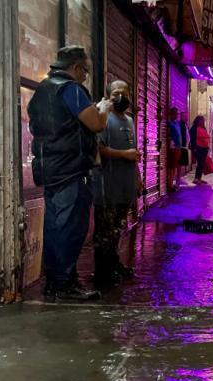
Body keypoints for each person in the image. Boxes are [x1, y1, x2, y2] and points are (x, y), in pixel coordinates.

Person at [28, 45, 112, 302]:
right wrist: (104, 107)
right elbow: (95, 123)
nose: (85, 76)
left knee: (55, 227)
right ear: (75, 68)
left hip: (50, 169)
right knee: (71, 229)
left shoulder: (43, 89)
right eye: (85, 71)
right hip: (70, 170)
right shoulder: (71, 89)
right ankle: (64, 284)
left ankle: (56, 282)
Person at [92, 80, 141, 287]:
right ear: (108, 96)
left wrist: (137, 179)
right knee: (105, 232)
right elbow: (98, 149)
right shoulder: (103, 119)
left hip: (125, 187)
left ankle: (114, 265)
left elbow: (134, 153)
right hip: (107, 187)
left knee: (118, 229)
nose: (120, 96)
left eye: (124, 91)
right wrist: (124, 155)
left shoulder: (129, 120)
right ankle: (103, 273)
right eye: (115, 93)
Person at [189, 116, 211, 185]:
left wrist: (207, 147)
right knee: (199, 164)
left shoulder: (203, 128)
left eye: (203, 120)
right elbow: (192, 138)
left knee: (201, 164)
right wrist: (194, 148)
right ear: (197, 121)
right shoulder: (194, 128)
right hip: (198, 149)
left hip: (204, 149)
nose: (203, 122)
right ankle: (196, 179)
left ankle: (199, 178)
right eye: (201, 120)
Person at [167, 107, 184, 191]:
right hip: (173, 148)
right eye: (174, 113)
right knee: (171, 166)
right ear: (171, 114)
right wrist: (171, 146)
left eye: (177, 114)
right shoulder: (169, 123)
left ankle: (172, 183)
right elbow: (169, 135)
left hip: (178, 147)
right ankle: (170, 184)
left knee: (175, 166)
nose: (176, 115)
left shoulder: (177, 123)